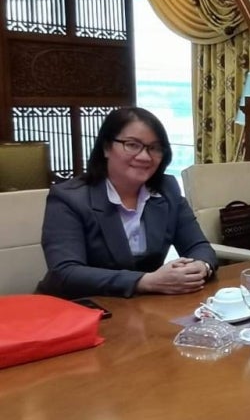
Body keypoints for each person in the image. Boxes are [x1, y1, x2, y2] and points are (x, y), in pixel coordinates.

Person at [38, 107, 216, 299]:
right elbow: (65, 273)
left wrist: (200, 266)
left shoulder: (166, 190)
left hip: (141, 307)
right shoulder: (69, 198)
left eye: (154, 148)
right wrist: (144, 281)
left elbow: (200, 247)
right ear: (106, 147)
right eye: (132, 145)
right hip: (76, 307)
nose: (144, 156)